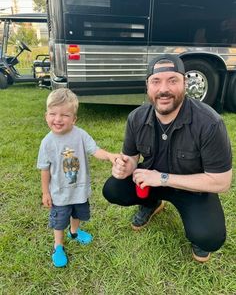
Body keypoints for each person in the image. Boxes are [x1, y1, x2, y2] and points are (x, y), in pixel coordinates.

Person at [103, 54, 232, 263]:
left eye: (173, 80)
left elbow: (222, 182)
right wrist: (124, 167)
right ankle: (152, 203)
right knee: (113, 189)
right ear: (147, 86)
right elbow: (131, 158)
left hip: (192, 189)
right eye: (156, 81)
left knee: (210, 238)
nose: (164, 89)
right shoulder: (136, 118)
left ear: (185, 83)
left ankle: (197, 232)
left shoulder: (209, 123)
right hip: (152, 183)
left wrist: (163, 178)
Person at [37, 88, 120, 268]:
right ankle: (58, 246)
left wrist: (110, 156)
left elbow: (95, 150)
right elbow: (44, 169)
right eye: (53, 114)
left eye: (64, 115)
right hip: (59, 193)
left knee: (78, 213)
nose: (57, 119)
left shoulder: (80, 135)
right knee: (59, 221)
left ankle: (74, 232)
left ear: (74, 119)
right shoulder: (47, 142)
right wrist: (45, 192)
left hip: (79, 190)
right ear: (46, 116)